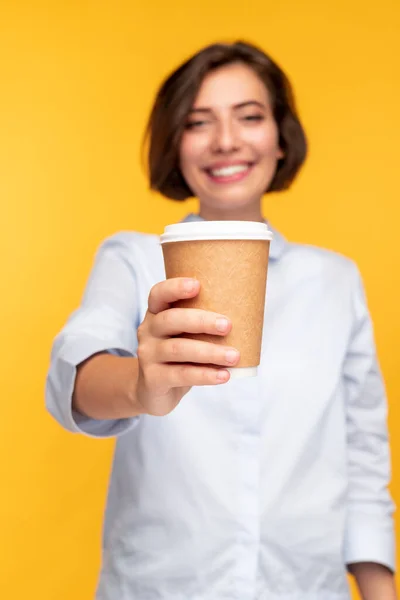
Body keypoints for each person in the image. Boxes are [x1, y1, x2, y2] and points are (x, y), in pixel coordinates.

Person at [46, 41, 397, 599]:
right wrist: (141, 386)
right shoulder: (134, 260)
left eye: (250, 117)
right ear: (175, 146)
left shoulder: (335, 281)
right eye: (198, 122)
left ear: (281, 138)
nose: (226, 141)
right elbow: (75, 376)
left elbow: (362, 458)